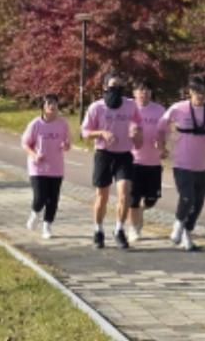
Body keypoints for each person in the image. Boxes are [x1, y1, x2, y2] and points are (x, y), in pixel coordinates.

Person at [158, 75, 205, 251]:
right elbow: (161, 126)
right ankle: (178, 224)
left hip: (203, 163)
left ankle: (187, 233)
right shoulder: (178, 108)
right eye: (197, 92)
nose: (200, 96)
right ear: (190, 92)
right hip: (182, 161)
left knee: (198, 203)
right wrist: (161, 146)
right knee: (187, 197)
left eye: (204, 92)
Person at [82, 72, 142, 249]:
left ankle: (119, 230)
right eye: (113, 86)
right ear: (105, 87)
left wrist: (136, 132)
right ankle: (98, 230)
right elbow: (85, 132)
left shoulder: (130, 105)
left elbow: (138, 124)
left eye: (120, 86)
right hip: (104, 154)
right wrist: (101, 133)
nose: (117, 89)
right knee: (102, 196)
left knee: (125, 193)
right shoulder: (96, 107)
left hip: (124, 155)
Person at [22, 94, 71, 240]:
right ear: (43, 107)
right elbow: (25, 144)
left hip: (56, 167)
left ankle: (47, 226)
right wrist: (34, 155)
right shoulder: (36, 124)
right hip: (38, 167)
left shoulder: (63, 123)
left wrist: (66, 145)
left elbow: (68, 143)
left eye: (54, 103)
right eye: (49, 103)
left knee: (53, 199)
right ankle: (35, 213)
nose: (52, 106)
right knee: (40, 197)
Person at [127, 80, 166, 242]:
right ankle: (133, 228)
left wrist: (162, 145)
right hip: (133, 160)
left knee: (151, 200)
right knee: (133, 199)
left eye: (147, 90)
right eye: (140, 90)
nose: (144, 93)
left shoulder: (160, 110)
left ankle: (140, 211)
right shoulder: (127, 108)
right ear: (134, 93)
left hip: (154, 162)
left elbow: (164, 132)